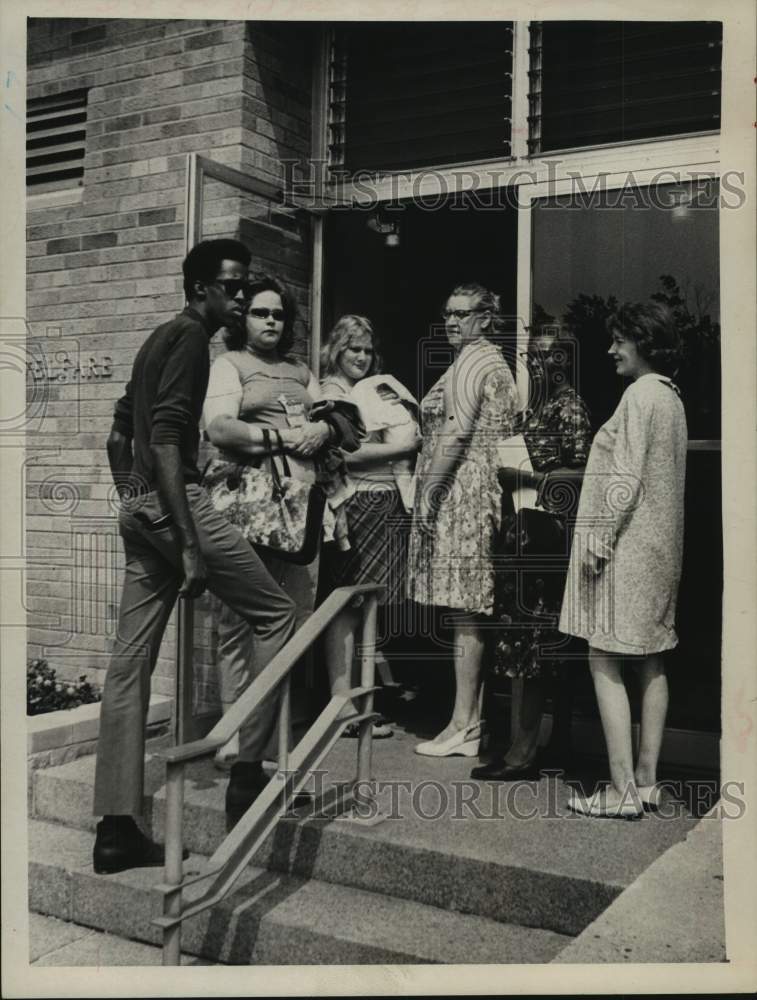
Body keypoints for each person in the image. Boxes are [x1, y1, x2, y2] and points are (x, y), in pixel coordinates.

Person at [92, 240, 297, 873]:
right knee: (277, 615)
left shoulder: (156, 338)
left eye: (243, 289)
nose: (239, 299)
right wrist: (183, 539)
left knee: (129, 666)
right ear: (200, 289)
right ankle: (247, 774)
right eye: (231, 289)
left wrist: (134, 502)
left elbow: (118, 433)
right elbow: (162, 438)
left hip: (141, 507)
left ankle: (116, 831)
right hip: (177, 506)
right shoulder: (187, 340)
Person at [559, 301, 687, 818]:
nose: (611, 349)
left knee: (604, 656)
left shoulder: (639, 395)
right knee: (651, 659)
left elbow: (625, 477)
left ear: (644, 342)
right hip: (659, 551)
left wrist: (598, 540)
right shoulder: (673, 399)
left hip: (627, 548)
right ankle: (648, 781)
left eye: (620, 340)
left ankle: (620, 791)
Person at [202, 275, 332, 772]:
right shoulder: (229, 365)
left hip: (301, 508)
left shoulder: (301, 372)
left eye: (278, 314)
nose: (271, 321)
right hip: (248, 502)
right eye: (260, 313)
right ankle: (235, 735)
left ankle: (272, 734)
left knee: (293, 618)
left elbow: (337, 421)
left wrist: (321, 427)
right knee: (239, 621)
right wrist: (280, 437)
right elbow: (219, 427)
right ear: (243, 319)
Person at [472, 328, 592, 781]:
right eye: (531, 356)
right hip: (521, 537)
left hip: (546, 540)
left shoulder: (570, 407)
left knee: (533, 647)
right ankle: (529, 747)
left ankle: (523, 754)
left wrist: (529, 479)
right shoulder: (537, 407)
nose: (536, 364)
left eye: (544, 356)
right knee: (522, 645)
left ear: (563, 359)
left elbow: (584, 472)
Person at [407, 283, 519, 756]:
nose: (452, 321)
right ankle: (470, 721)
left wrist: (428, 491)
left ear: (487, 317)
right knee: (468, 610)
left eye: (463, 313)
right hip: (476, 491)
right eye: (447, 313)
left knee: (465, 610)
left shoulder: (475, 360)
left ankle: (462, 724)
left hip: (464, 494)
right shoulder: (487, 360)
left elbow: (455, 433)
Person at [319, 315, 421, 737]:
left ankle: (360, 702)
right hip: (356, 503)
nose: (361, 356)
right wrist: (404, 446)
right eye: (352, 349)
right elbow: (342, 455)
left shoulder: (370, 389)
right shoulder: (332, 392)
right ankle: (344, 706)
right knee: (349, 604)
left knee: (365, 604)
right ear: (336, 350)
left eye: (366, 350)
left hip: (380, 501)